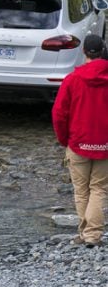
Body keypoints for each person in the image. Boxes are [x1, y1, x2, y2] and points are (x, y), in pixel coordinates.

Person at [52, 34, 108, 248]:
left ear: (83, 51)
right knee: (99, 189)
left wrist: (63, 139)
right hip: (104, 144)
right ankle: (92, 235)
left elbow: (59, 114)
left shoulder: (72, 80)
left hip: (78, 143)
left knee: (81, 190)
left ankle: (85, 234)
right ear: (102, 50)